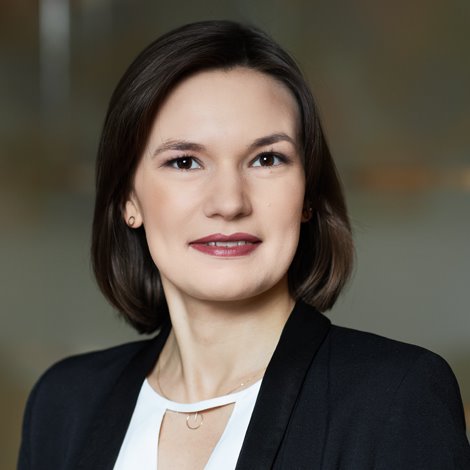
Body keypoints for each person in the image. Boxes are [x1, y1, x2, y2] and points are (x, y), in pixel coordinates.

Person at [18, 20, 469, 470]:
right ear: (127, 199)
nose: (229, 203)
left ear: (307, 196)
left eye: (266, 159)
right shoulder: (63, 405)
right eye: (185, 162)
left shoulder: (396, 398)